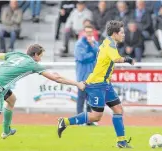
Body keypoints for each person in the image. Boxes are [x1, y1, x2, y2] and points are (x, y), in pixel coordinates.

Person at [0, 43, 85, 147]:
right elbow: (57, 79)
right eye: (40, 56)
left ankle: (6, 131)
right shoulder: (33, 64)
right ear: (35, 55)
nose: (40, 59)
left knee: (12, 100)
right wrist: (77, 84)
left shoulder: (17, 55)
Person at [57, 20, 135, 148]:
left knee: (118, 109)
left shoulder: (106, 42)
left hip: (105, 84)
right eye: (121, 32)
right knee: (96, 116)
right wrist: (127, 59)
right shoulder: (110, 45)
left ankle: (121, 141)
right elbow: (116, 59)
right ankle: (65, 122)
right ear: (114, 34)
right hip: (96, 84)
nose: (123, 34)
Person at [75, 25, 99, 125]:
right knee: (81, 98)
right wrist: (93, 54)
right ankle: (80, 120)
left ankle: (89, 120)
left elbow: (99, 55)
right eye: (87, 32)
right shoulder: (79, 44)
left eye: (91, 32)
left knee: (91, 99)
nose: (89, 34)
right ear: (83, 33)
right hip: (82, 75)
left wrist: (93, 48)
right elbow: (82, 58)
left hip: (93, 76)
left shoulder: (95, 43)